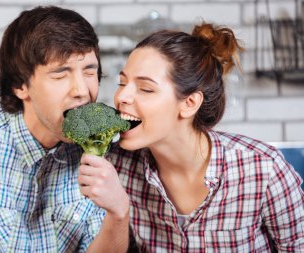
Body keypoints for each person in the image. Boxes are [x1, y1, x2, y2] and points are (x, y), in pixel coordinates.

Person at [78, 23, 304, 252]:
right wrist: (119, 212)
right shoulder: (115, 169)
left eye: (145, 89)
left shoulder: (263, 169)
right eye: (122, 83)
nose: (121, 96)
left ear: (189, 103)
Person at [0, 5, 129, 252]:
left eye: (89, 72)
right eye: (60, 74)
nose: (82, 91)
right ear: (21, 85)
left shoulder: (103, 150)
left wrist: (119, 213)